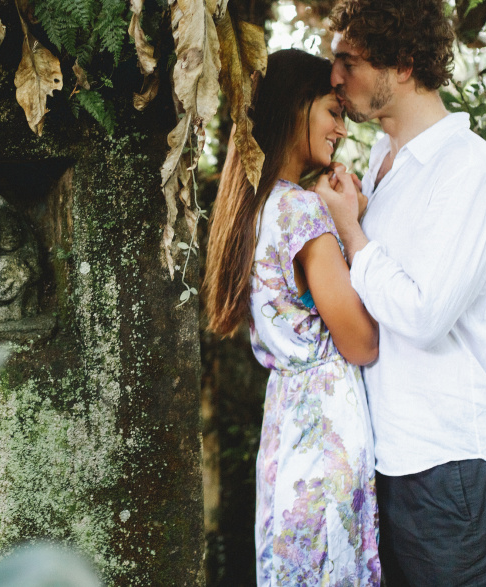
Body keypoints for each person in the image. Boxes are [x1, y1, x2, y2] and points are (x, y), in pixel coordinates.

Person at [315, 0, 486, 585]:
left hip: (451, 463)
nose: (335, 77)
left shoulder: (467, 167)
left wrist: (353, 233)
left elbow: (425, 315)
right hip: (390, 457)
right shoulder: (383, 160)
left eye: (349, 62)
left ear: (403, 66)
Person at [204, 49, 381, 586]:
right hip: (326, 431)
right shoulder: (302, 211)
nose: (341, 130)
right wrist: (349, 227)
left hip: (285, 428)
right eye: (333, 112)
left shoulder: (253, 209)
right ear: (297, 107)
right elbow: (362, 343)